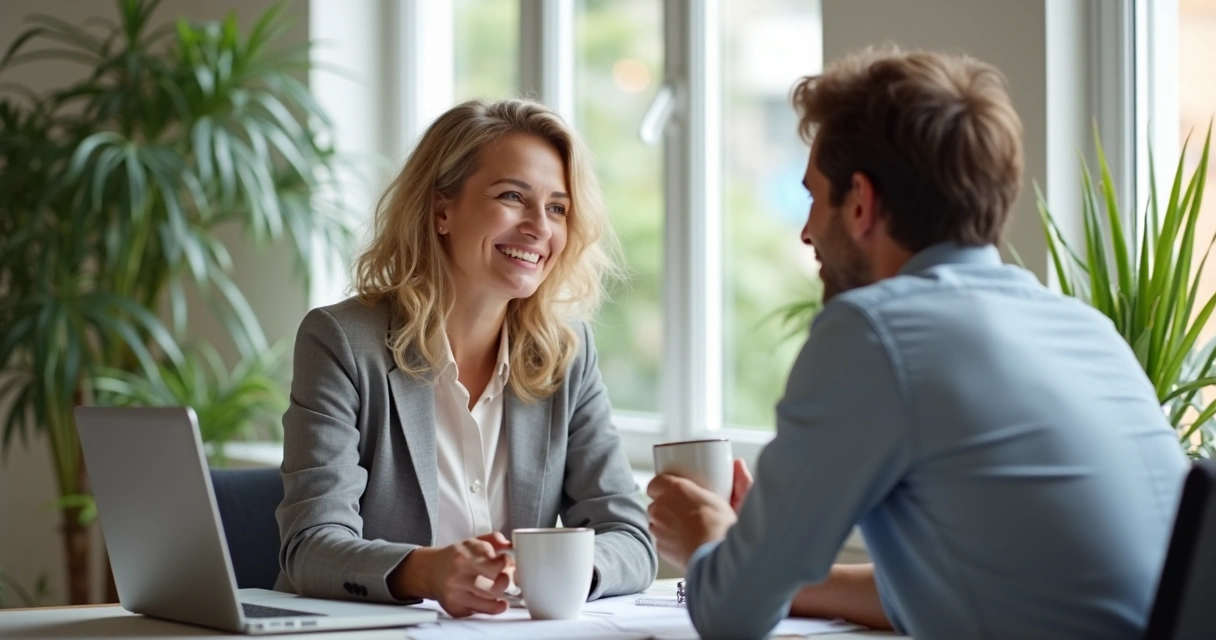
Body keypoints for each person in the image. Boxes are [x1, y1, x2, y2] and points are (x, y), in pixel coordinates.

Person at [647, 48, 1189, 640]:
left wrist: (709, 539)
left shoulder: (874, 331)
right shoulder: (1085, 330)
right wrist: (767, 558)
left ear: (860, 201)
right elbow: (960, 590)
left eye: (813, 197)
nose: (806, 232)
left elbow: (731, 616)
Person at [275, 99, 657, 618]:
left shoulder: (566, 352)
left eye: (557, 208)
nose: (539, 228)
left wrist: (559, 572)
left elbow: (629, 536)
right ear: (441, 210)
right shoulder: (342, 340)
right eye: (512, 197)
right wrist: (429, 571)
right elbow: (311, 546)